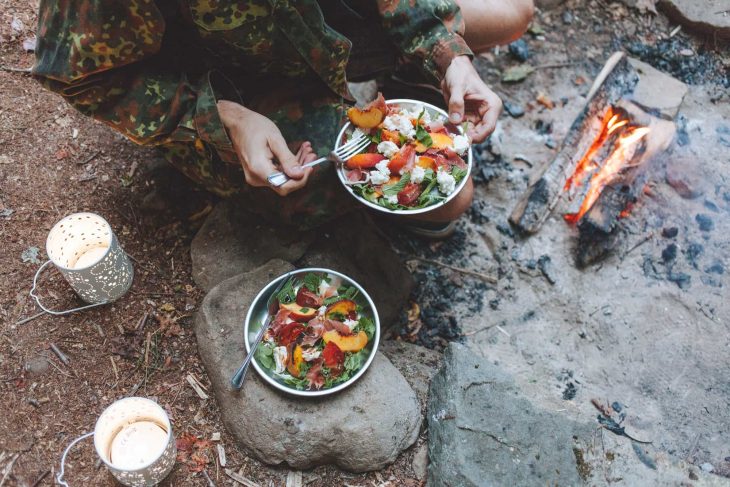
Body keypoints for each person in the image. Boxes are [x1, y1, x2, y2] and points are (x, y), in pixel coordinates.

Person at [33, 0, 533, 233]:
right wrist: (224, 117)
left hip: (314, 26)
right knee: (451, 199)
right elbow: (82, 79)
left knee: (514, 12)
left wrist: (448, 54)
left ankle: (385, 81)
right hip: (228, 83)